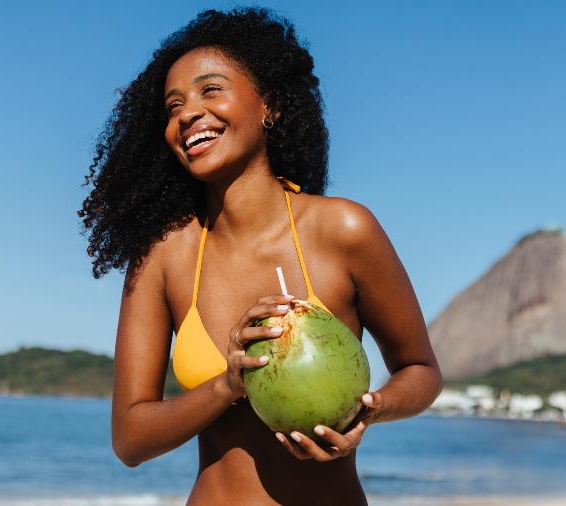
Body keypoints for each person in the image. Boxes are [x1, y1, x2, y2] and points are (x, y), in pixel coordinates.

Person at [78, 7, 442, 505]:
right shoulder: (163, 256)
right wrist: (227, 385)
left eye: (211, 90)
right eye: (173, 106)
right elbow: (130, 439)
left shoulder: (343, 229)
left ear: (268, 104)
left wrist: (371, 410)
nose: (188, 114)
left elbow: (421, 370)